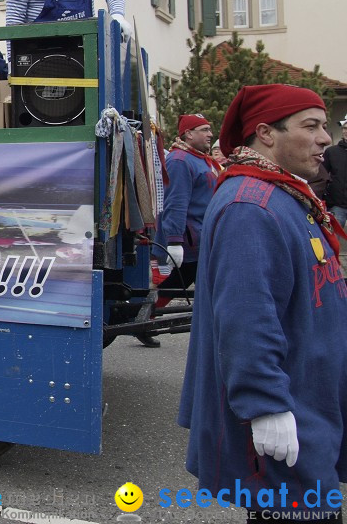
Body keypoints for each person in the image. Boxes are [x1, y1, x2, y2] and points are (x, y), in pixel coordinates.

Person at [179, 84, 347, 522]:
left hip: (311, 401)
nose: (325, 138)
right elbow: (247, 319)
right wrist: (265, 404)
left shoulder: (285, 194)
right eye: (310, 126)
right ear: (266, 134)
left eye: (324, 126)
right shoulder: (250, 206)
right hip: (290, 412)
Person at [141, 114, 218, 348]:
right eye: (204, 130)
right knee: (183, 282)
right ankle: (145, 319)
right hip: (189, 239)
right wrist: (174, 241)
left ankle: (145, 319)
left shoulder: (200, 159)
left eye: (209, 129)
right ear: (188, 134)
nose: (210, 134)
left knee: (182, 282)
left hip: (203, 235)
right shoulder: (180, 160)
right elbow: (175, 202)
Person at [323, 115, 347, 227]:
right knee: (333, 241)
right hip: (337, 205)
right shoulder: (331, 152)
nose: (346, 131)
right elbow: (321, 176)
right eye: (345, 128)